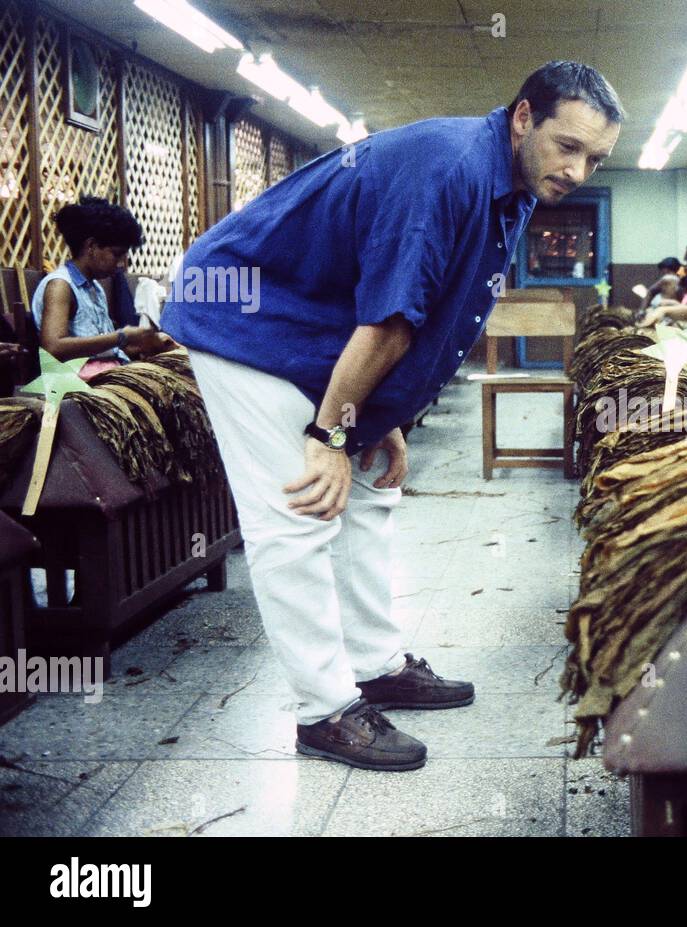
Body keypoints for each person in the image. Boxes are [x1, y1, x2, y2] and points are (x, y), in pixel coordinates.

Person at [161, 61, 623, 771]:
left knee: (372, 484)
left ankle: (375, 662)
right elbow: (390, 322)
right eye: (569, 146)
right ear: (524, 116)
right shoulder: (449, 170)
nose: (578, 170)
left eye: (595, 158)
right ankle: (324, 710)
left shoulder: (517, 185)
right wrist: (327, 435)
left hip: (319, 329)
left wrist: (386, 416)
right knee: (300, 507)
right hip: (246, 320)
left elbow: (432, 311)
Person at [31, 196, 173, 377]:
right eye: (116, 254)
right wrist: (121, 336)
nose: (121, 264)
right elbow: (53, 347)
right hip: (75, 384)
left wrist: (144, 343)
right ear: (91, 246)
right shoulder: (60, 285)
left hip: (103, 373)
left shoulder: (95, 288)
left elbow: (103, 351)